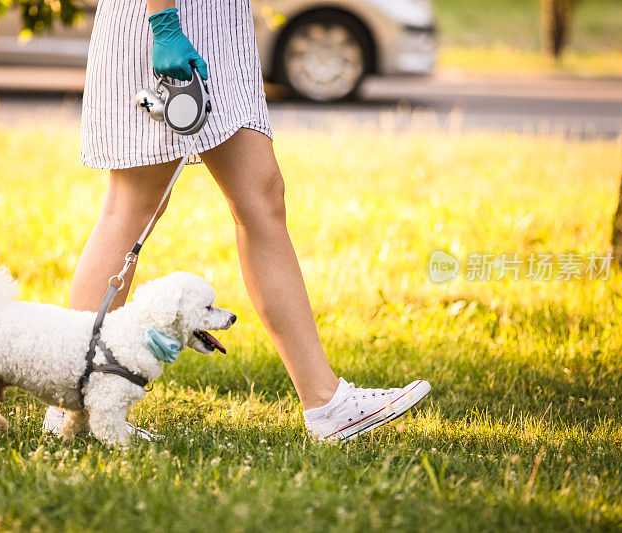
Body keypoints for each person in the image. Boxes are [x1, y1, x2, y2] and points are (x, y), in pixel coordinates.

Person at [44, 0, 430, 442]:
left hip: (220, 29)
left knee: (263, 199)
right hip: (166, 27)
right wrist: (164, 23)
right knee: (131, 205)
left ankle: (327, 404)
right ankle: (71, 403)